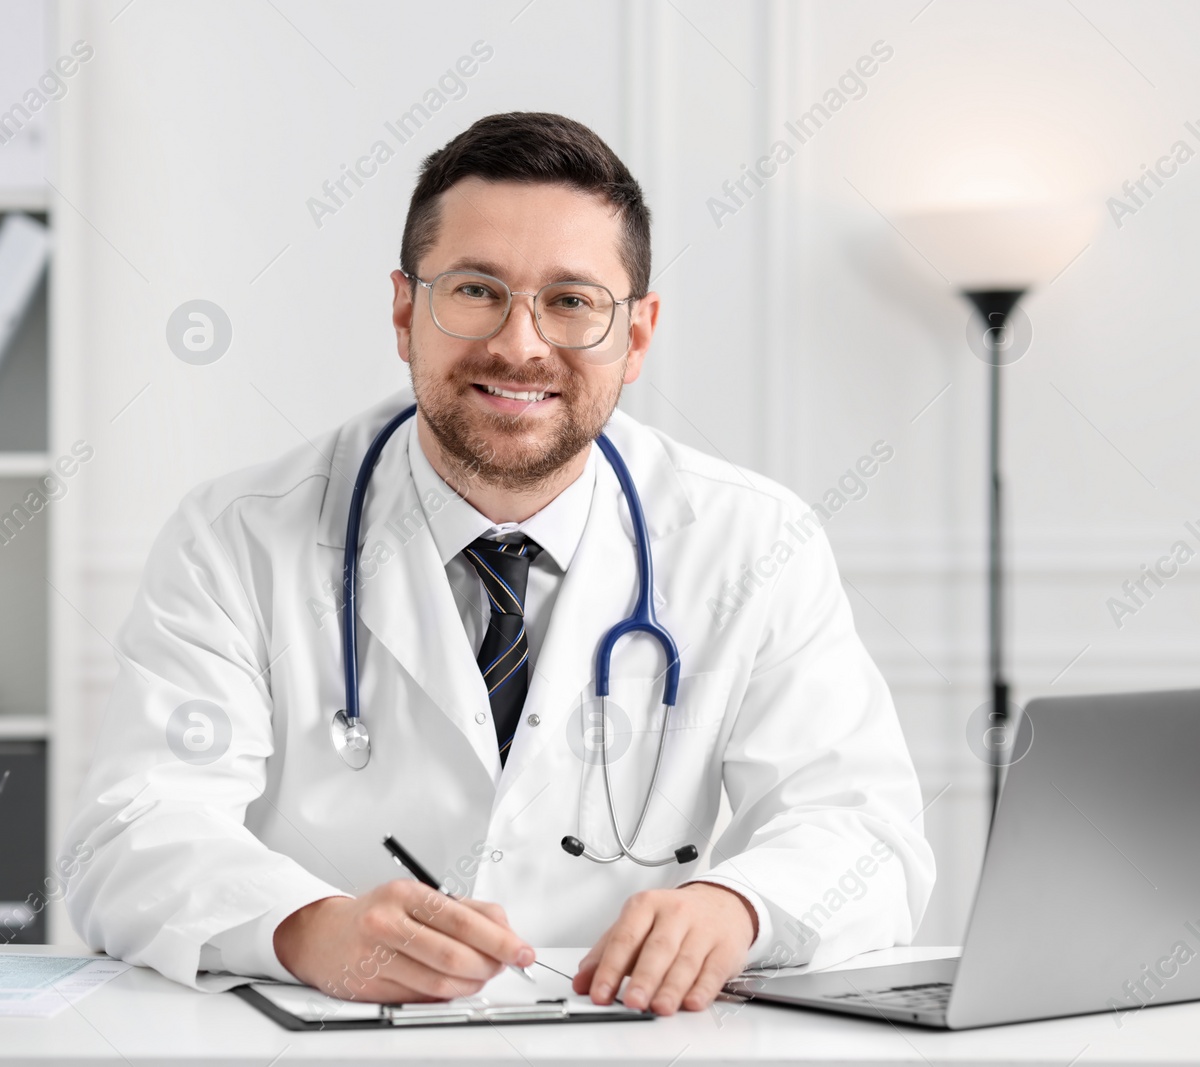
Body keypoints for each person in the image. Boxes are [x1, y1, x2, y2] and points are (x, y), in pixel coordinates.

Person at [66, 111, 934, 1015]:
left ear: (635, 337)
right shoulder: (234, 538)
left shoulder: (754, 541)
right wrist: (308, 926)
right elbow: (132, 832)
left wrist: (736, 906)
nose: (521, 345)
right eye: (478, 290)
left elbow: (865, 830)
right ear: (406, 312)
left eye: (571, 301)